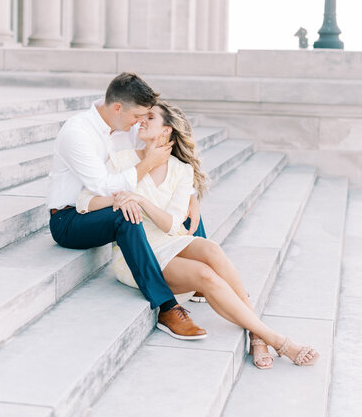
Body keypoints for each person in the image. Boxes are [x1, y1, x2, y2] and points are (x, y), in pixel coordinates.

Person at [75, 99, 320, 368]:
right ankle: (275, 340)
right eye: (143, 116)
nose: (142, 121)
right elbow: (84, 203)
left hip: (169, 240)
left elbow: (172, 225)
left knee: (210, 248)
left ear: (167, 130)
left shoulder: (182, 170)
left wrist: (140, 200)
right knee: (204, 275)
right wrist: (117, 200)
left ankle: (256, 333)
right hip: (137, 253)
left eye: (151, 118)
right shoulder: (122, 160)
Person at [47, 72, 206, 340]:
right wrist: (147, 165)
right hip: (71, 218)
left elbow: (161, 149)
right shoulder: (78, 132)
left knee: (184, 213)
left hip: (108, 205)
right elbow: (102, 186)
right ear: (118, 108)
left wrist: (191, 195)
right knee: (127, 213)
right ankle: (167, 306)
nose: (139, 123)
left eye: (145, 118)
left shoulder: (126, 124)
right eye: (137, 117)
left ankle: (201, 278)